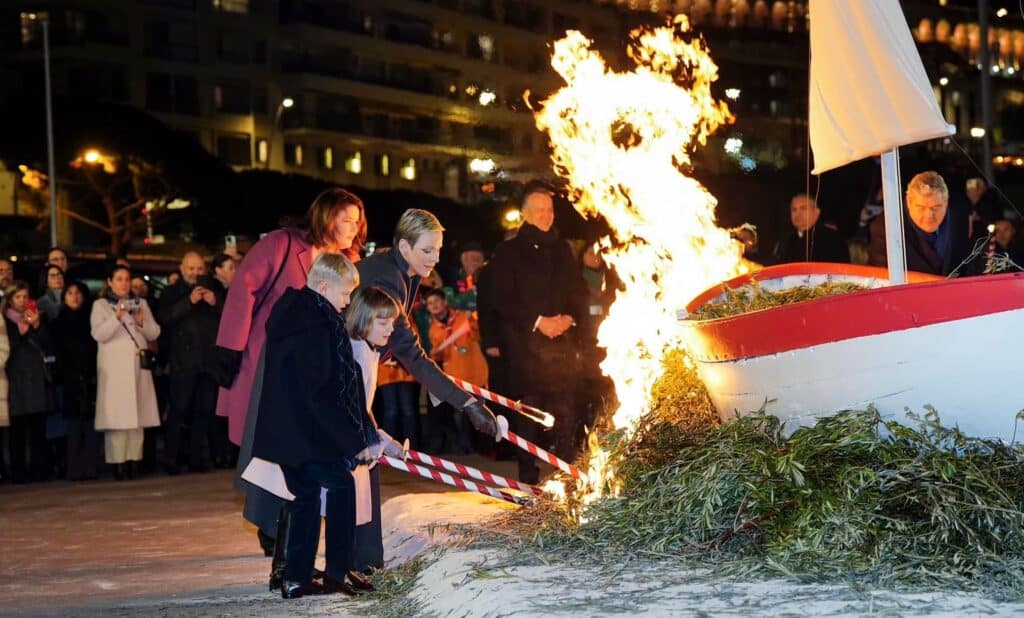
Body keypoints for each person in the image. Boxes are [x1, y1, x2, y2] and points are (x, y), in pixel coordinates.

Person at [214, 188, 366, 556]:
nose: (352, 227)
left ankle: (291, 526)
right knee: (269, 445)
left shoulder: (346, 261)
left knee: (304, 449)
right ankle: (271, 525)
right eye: (345, 219)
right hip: (270, 364)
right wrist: (230, 345)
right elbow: (244, 288)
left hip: (316, 373)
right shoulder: (283, 244)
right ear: (325, 216)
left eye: (356, 221)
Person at [352, 208, 498, 569]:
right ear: (404, 245)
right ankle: (358, 560)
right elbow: (413, 356)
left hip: (358, 364)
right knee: (355, 463)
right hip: (346, 368)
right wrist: (466, 403)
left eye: (438, 250)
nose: (435, 259)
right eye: (427, 250)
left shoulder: (401, 268)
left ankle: (363, 559)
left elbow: (407, 340)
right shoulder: (387, 280)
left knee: (360, 463)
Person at [251, 254, 394, 599]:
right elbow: (321, 390)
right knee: (341, 485)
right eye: (345, 294)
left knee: (306, 496)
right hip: (306, 433)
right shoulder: (315, 323)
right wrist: (352, 440)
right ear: (325, 287)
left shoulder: (296, 315)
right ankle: (337, 571)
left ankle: (297, 578)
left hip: (289, 433)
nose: (348, 302)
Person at [484, 182, 589, 484]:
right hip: (525, 347)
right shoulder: (508, 252)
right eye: (539, 210)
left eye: (550, 210)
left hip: (563, 345)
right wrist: (538, 321)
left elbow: (578, 292)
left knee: (566, 410)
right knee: (528, 413)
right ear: (525, 214)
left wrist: (569, 318)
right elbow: (501, 299)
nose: (546, 216)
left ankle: (567, 473)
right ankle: (527, 474)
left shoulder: (563, 250)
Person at [91, 265, 161, 481]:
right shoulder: (101, 305)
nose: (124, 283)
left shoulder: (141, 304)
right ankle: (117, 464)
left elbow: (154, 332)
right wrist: (117, 317)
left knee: (137, 418)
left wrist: (140, 321)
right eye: (119, 279)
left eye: (127, 279)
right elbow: (98, 334)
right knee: (117, 420)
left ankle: (134, 462)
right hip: (114, 371)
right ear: (110, 282)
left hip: (137, 368)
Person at [158, 252, 221, 474]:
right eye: (191, 268)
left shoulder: (213, 290)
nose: (195, 273)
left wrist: (215, 303)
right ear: (182, 268)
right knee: (178, 411)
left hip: (207, 362)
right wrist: (189, 302)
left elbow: (226, 319)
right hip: (183, 363)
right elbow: (165, 319)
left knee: (203, 411)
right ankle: (171, 458)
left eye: (199, 269)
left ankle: (197, 457)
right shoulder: (171, 292)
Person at [869, 171, 971, 276]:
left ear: (946, 203)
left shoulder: (958, 217)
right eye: (921, 208)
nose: (929, 215)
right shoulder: (887, 227)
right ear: (908, 203)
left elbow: (967, 263)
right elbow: (881, 277)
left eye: (936, 207)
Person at [3, 281, 56, 483]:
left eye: (25, 297)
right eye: (18, 297)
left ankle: (39, 469)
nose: (22, 301)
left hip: (35, 378)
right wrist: (22, 332)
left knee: (37, 428)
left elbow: (48, 343)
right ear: (10, 299)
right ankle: (18, 471)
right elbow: (8, 347)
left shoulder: (36, 317)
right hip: (15, 379)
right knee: (17, 430)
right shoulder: (5, 321)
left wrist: (36, 326)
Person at [425, 288, 488, 454]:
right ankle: (466, 447)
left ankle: (483, 447)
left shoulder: (462, 317)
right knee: (459, 414)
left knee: (480, 410)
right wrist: (437, 350)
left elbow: (475, 330)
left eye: (437, 301)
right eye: (430, 304)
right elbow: (438, 353)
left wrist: (471, 319)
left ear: (445, 302)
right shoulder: (434, 329)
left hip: (475, 372)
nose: (435, 306)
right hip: (455, 377)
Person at [53, 282, 99, 481]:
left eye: (78, 293)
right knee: (73, 426)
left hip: (91, 377)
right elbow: (56, 352)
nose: (75, 297)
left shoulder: (91, 321)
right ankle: (74, 468)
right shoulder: (57, 322)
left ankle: (91, 467)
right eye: (70, 293)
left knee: (90, 424)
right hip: (69, 379)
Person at [206, 253, 236, 469]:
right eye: (230, 267)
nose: (234, 271)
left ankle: (227, 453)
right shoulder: (211, 291)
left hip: (229, 359)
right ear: (217, 270)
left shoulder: (231, 291)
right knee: (216, 410)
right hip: (216, 360)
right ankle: (218, 454)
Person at [774, 194, 849, 264]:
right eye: (794, 210)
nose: (798, 214)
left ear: (816, 212)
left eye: (803, 208)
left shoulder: (832, 238)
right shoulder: (786, 241)